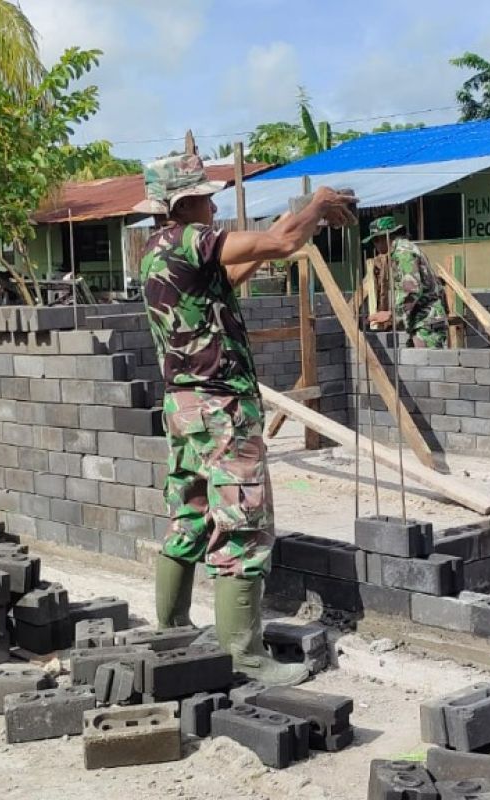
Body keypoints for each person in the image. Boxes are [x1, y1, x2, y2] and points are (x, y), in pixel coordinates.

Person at [139, 153, 354, 686]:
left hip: (184, 407)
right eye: (205, 197)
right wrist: (320, 205)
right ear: (183, 203)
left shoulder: (156, 252)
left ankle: (170, 628)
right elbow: (280, 243)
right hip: (221, 408)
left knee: (189, 513)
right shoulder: (191, 239)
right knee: (242, 522)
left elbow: (234, 272)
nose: (213, 205)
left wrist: (306, 216)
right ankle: (244, 655)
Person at [364, 215, 449, 348]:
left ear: (385, 237)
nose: (375, 246)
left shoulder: (403, 253)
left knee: (427, 367)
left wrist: (391, 315)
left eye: (375, 240)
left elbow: (411, 291)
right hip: (424, 321)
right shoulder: (406, 248)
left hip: (426, 321)